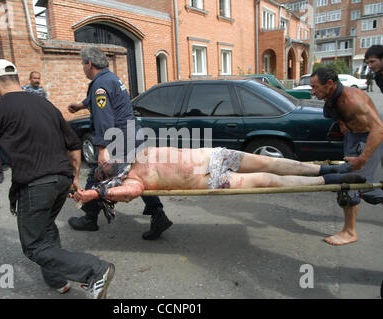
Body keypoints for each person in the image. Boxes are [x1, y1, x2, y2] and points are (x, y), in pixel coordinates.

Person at [0, 59, 115, 298]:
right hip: (60, 180)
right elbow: (73, 144)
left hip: (36, 184)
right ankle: (56, 280)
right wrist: (73, 178)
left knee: (34, 246)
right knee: (46, 228)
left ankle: (95, 270)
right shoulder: (45, 104)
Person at [67, 47, 173, 240]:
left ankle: (90, 218)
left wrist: (102, 149)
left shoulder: (99, 85)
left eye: (83, 64)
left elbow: (104, 120)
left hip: (121, 139)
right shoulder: (111, 79)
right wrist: (81, 105)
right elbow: (108, 100)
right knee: (138, 175)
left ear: (89, 64)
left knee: (96, 175)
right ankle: (158, 214)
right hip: (134, 135)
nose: (83, 67)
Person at [71, 146, 365, 207]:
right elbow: (130, 194)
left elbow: (106, 152)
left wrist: (102, 155)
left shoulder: (134, 156)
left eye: (105, 165)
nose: (106, 165)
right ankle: (328, 182)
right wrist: (94, 194)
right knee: (268, 180)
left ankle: (328, 169)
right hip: (212, 179)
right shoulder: (132, 181)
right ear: (108, 178)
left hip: (214, 156)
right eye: (103, 170)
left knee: (272, 163)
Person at [309, 67, 383, 246]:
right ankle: (349, 230)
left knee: (360, 186)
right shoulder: (332, 97)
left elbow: (379, 129)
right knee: (350, 184)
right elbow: (339, 115)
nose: (312, 92)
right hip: (353, 137)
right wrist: (343, 125)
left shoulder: (353, 100)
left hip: (368, 138)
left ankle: (350, 232)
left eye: (315, 87)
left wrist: (362, 158)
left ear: (330, 84)